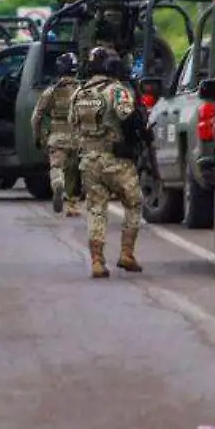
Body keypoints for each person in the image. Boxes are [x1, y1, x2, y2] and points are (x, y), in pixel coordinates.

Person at [68, 46, 143, 277]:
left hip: (89, 160)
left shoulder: (79, 93)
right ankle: (126, 253)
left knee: (96, 210)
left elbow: (73, 124)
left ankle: (97, 261)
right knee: (134, 202)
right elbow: (127, 117)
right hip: (116, 159)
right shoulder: (116, 91)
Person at [30, 51, 83, 215]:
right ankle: (73, 206)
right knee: (74, 172)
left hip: (57, 137)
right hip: (78, 137)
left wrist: (37, 137)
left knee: (56, 166)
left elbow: (36, 117)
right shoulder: (84, 92)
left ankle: (57, 182)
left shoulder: (51, 92)